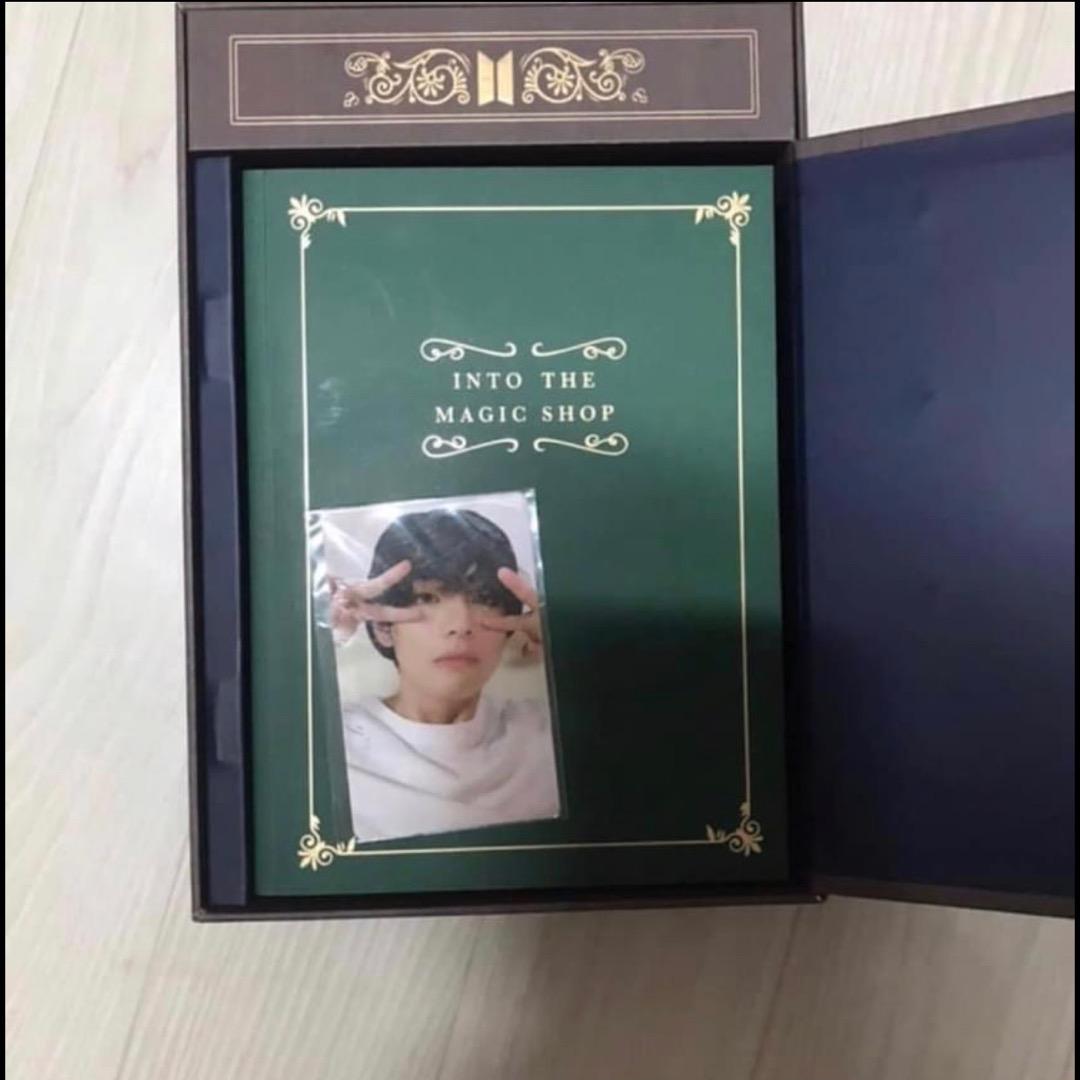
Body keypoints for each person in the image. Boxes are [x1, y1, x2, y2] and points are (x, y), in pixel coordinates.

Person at [328, 507, 560, 842]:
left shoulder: (546, 731)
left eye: (483, 599)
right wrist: (320, 634)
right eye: (427, 597)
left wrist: (570, 646)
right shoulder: (331, 742)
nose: (461, 625)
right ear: (383, 628)